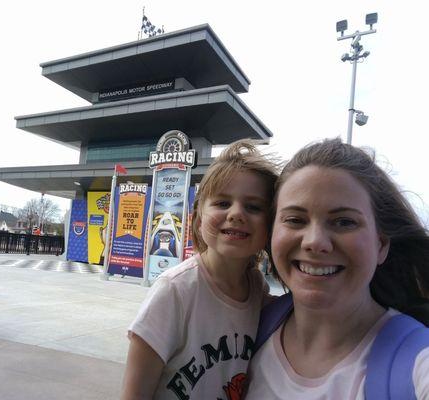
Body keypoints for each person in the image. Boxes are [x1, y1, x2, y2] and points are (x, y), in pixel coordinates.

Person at [246, 138, 429, 399]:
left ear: (381, 245)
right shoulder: (242, 332)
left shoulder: (418, 362)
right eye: (295, 220)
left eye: (344, 222)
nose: (315, 242)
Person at [120, 139, 279, 400]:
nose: (237, 213)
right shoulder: (174, 291)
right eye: (222, 203)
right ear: (199, 216)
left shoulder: (256, 288)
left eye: (253, 207)